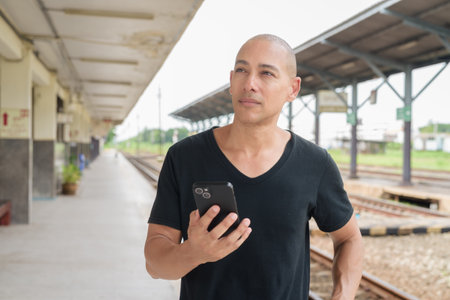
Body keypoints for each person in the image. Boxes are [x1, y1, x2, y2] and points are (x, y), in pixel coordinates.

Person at [144, 34, 363, 300]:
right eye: (241, 70)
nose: (250, 83)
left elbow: (349, 238)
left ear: (292, 89)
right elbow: (155, 264)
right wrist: (195, 251)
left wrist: (343, 295)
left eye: (266, 73)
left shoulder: (315, 164)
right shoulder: (183, 157)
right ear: (231, 81)